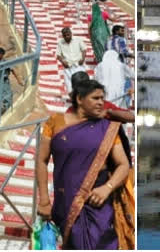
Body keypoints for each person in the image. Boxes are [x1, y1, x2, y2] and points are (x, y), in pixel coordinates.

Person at [36, 78, 131, 250]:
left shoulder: (107, 127)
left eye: (102, 98)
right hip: (65, 201)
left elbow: (123, 165)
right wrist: (43, 200)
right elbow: (41, 161)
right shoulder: (55, 123)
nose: (101, 102)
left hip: (98, 204)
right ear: (79, 99)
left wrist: (107, 188)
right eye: (96, 98)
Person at [0, 47, 21, 114]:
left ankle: (4, 108)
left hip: (5, 81)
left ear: (1, 54)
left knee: (7, 96)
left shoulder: (6, 62)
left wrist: (18, 80)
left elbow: (13, 70)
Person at [56, 27, 87, 94]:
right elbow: (58, 55)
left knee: (83, 84)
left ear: (71, 33)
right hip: (68, 67)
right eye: (65, 36)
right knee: (69, 86)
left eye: (68, 35)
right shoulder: (60, 43)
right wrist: (63, 62)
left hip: (79, 65)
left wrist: (83, 59)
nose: (67, 37)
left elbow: (84, 50)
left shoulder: (78, 39)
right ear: (63, 36)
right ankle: (73, 100)